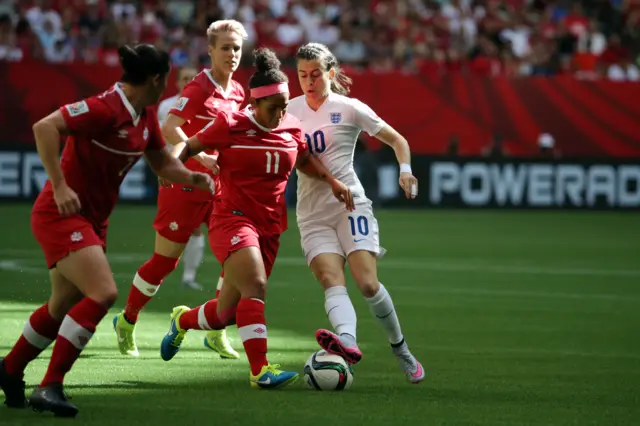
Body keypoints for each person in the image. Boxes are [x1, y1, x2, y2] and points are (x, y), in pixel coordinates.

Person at [0, 44, 214, 417]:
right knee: (103, 292)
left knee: (61, 305)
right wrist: (60, 183)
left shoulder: (145, 116)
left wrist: (194, 176)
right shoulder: (104, 107)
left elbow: (162, 163)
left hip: (93, 220)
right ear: (157, 79)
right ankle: (50, 385)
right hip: (61, 212)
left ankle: (9, 369)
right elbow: (44, 126)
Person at [159, 48, 355, 389]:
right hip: (231, 218)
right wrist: (172, 166)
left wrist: (333, 181)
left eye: (283, 106)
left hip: (270, 226)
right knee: (257, 286)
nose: (280, 113)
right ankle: (260, 370)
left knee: (226, 313)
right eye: (272, 108)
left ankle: (182, 320)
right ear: (253, 104)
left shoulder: (292, 127)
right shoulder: (231, 124)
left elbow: (305, 161)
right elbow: (189, 145)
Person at [288, 42, 425, 384]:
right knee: (331, 281)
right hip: (311, 211)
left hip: (351, 204)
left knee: (366, 283)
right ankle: (347, 341)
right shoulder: (289, 111)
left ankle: (401, 349)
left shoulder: (349, 108)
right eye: (302, 75)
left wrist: (405, 170)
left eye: (316, 74)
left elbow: (397, 140)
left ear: (330, 74)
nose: (309, 81)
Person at [114, 20, 247, 360]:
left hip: (221, 188)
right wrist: (199, 154)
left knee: (234, 261)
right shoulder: (200, 87)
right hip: (186, 185)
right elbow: (169, 127)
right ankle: (127, 321)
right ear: (211, 50)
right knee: (164, 263)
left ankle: (216, 332)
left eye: (237, 48)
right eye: (225, 48)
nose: (232, 54)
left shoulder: (238, 92)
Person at [158, 66, 205, 292]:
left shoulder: (204, 104)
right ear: (176, 83)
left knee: (196, 227)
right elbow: (160, 139)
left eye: (191, 78)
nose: (187, 82)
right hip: (174, 171)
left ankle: (188, 276)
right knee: (172, 228)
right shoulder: (167, 107)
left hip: (198, 170)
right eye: (184, 78)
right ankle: (159, 272)